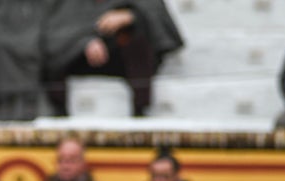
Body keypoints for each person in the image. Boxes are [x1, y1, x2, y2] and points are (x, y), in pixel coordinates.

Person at [39, 0, 184, 118]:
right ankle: (59, 112)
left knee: (137, 41)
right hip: (77, 59)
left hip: (121, 59)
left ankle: (140, 110)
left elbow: (154, 13)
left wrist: (130, 16)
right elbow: (54, 28)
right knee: (54, 51)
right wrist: (84, 42)